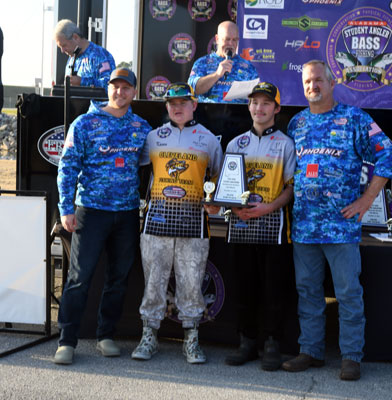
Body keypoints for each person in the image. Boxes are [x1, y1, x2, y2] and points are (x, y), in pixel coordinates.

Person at [282, 60, 392, 380]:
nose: (313, 86)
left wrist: (367, 199)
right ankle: (310, 350)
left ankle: (351, 356)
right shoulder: (296, 124)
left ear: (332, 82)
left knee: (348, 293)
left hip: (340, 227)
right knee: (307, 291)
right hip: (304, 227)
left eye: (318, 80)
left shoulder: (354, 118)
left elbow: (388, 155)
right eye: (307, 82)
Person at [54, 68, 152, 365]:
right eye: (115, 86)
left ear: (134, 92)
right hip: (91, 210)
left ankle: (105, 335)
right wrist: (66, 208)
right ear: (107, 88)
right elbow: (67, 167)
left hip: (126, 213)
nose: (119, 92)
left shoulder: (141, 127)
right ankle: (66, 340)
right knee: (79, 277)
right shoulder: (85, 123)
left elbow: (148, 164)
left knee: (118, 278)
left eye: (126, 88)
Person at [206, 82, 296, 371]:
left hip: (274, 227)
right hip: (241, 226)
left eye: (266, 103)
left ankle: (272, 343)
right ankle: (246, 342)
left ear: (277, 109)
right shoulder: (235, 144)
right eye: (255, 102)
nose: (260, 108)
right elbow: (226, 187)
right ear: (248, 106)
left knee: (273, 289)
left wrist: (268, 207)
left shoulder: (286, 144)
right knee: (245, 288)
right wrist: (233, 206)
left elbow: (291, 188)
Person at [132, 82, 223, 364]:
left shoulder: (209, 139)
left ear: (194, 104)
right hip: (156, 224)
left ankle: (191, 339)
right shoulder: (153, 137)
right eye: (172, 103)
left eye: (184, 102)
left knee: (192, 283)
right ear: (167, 107)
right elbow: (138, 172)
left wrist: (216, 202)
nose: (178, 107)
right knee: (153, 282)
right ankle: (149, 336)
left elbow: (220, 179)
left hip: (194, 224)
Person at [188, 20, 258, 103]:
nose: (231, 44)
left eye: (234, 40)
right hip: (208, 110)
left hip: (238, 111)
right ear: (217, 39)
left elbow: (256, 98)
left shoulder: (248, 67)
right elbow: (193, 90)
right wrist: (217, 74)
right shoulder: (202, 63)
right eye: (227, 39)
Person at [53, 19, 116, 91]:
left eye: (64, 45)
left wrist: (81, 81)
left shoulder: (101, 56)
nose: (62, 51)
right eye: (60, 47)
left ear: (75, 37)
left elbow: (110, 85)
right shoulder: (71, 60)